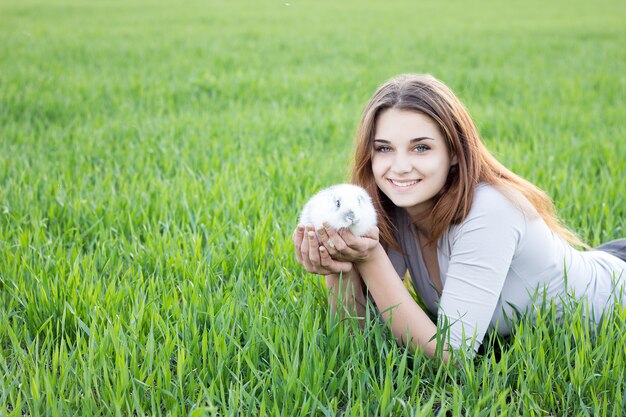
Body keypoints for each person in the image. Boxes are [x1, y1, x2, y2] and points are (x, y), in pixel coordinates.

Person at [292, 74, 626, 361]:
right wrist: (338, 264)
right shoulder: (388, 207)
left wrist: (370, 256)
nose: (400, 166)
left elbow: (451, 356)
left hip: (615, 297)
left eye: (421, 147)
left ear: (454, 152)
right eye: (384, 148)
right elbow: (360, 338)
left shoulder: (492, 211)